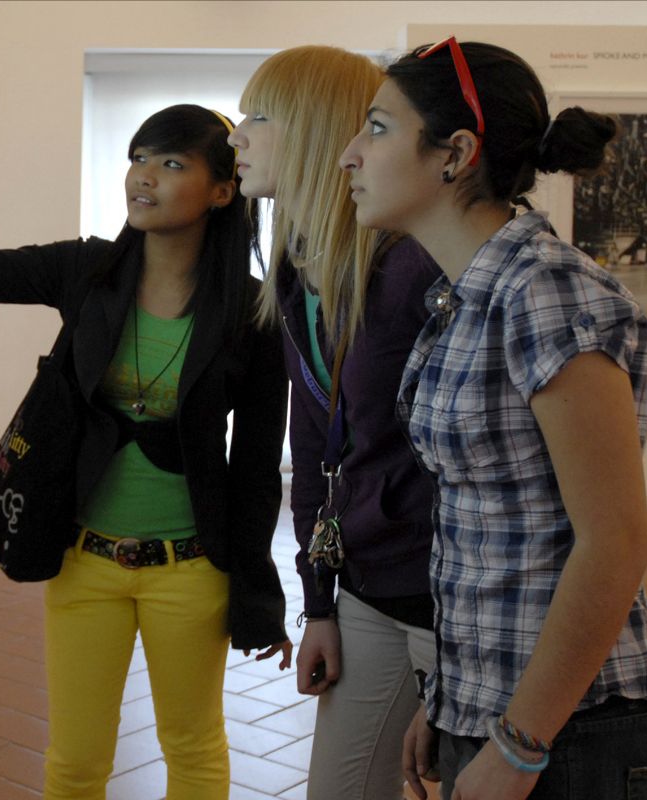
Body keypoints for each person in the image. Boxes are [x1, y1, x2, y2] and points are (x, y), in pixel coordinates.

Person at [0, 104, 292, 800]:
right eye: (139, 158)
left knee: (193, 750)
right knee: (74, 763)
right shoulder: (88, 272)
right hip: (87, 563)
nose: (145, 178)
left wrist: (259, 592)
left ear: (223, 190)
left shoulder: (252, 313)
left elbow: (256, 468)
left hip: (190, 570)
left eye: (171, 163)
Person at [338, 37, 647, 800]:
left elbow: (616, 541)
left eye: (380, 128)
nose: (350, 156)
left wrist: (521, 743)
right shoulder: (464, 297)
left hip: (578, 732)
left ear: (455, 153)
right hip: (497, 712)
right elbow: (483, 530)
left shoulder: (546, 291)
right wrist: (451, 704)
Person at [228, 46, 443, 799]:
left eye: (258, 116)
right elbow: (316, 449)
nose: (237, 136)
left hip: (453, 598)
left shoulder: (414, 268)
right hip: (367, 591)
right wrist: (318, 602)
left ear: (319, 130)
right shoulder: (296, 269)